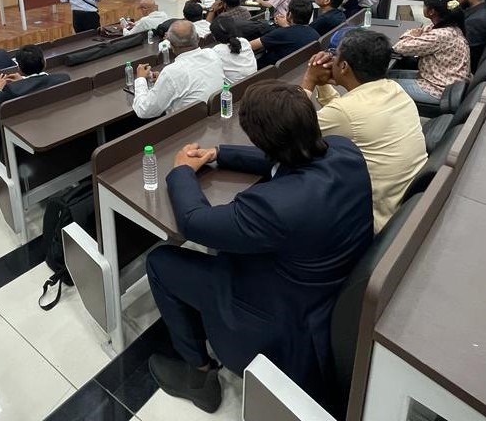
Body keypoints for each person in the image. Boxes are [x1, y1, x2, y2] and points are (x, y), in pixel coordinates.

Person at [146, 81, 373, 412]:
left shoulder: (272, 208)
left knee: (162, 261)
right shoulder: (344, 150)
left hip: (281, 317)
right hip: (326, 291)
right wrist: (219, 154)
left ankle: (199, 375)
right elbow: (292, 157)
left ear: (260, 140)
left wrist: (181, 171)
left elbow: (194, 222)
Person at [301, 29, 428, 232]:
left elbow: (290, 128)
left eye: (335, 56)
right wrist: (323, 86)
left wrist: (309, 81)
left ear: (343, 66)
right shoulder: (394, 89)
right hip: (401, 209)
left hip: (373, 219)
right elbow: (348, 116)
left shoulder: (346, 112)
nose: (330, 60)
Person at [0, 44, 71, 162]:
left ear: (19, 68)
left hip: (28, 138)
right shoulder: (63, 78)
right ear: (44, 62)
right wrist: (23, 81)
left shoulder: (12, 90)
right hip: (59, 129)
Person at [389, 0, 470, 104]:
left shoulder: (440, 35)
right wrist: (415, 35)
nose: (423, 8)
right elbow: (423, 30)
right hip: (440, 81)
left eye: (424, 5)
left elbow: (400, 47)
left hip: (437, 90)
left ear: (431, 11)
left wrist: (408, 35)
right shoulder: (449, 27)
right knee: (386, 75)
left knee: (381, 85)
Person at [132, 20, 224, 118]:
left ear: (171, 46)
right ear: (197, 38)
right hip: (212, 118)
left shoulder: (172, 72)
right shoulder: (213, 54)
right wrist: (163, 80)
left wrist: (140, 79)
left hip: (185, 126)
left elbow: (144, 111)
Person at [251, 0, 318, 69]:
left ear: (289, 15)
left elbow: (250, 45)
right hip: (293, 70)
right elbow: (294, 34)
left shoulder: (281, 34)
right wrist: (286, 26)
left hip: (266, 71)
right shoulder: (314, 33)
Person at [210, 15, 257, 84]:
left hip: (235, 90)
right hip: (254, 82)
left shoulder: (216, 51)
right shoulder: (244, 41)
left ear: (214, 37)